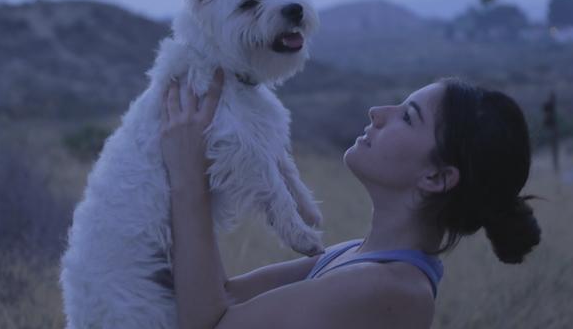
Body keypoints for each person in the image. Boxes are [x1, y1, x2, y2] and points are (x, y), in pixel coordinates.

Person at [159, 69, 541, 329]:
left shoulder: (390, 288)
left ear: (436, 177)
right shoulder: (355, 255)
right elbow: (219, 297)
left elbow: (206, 324)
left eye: (407, 118)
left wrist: (189, 174)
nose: (378, 113)